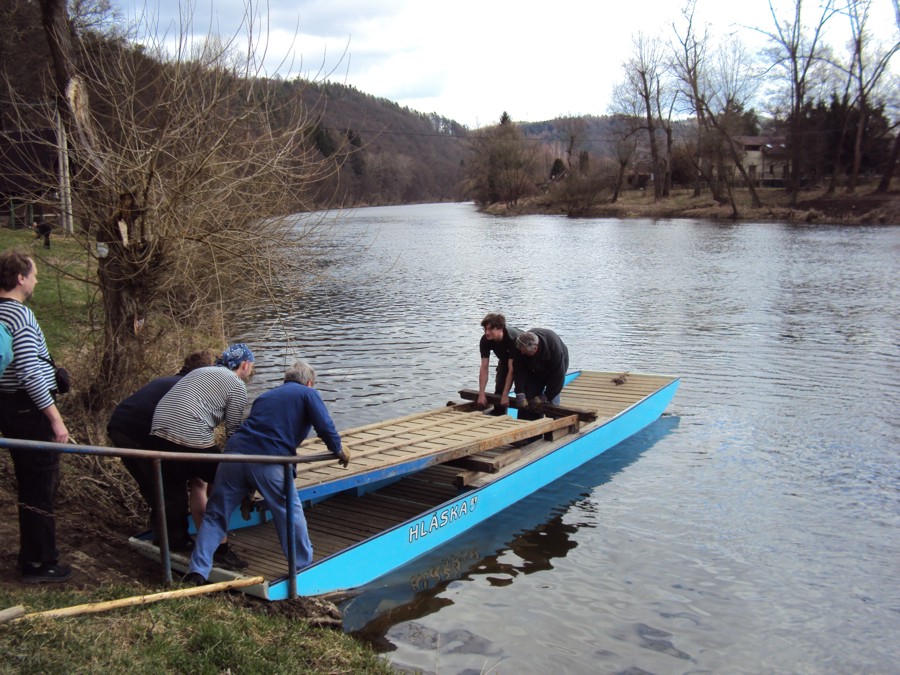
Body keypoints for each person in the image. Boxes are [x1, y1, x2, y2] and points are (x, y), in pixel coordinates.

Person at [183, 360, 350, 585]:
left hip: (233, 455)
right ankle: (302, 568)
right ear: (309, 382)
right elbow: (325, 426)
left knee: (216, 514)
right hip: (268, 460)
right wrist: (338, 449)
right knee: (289, 512)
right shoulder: (307, 394)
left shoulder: (266, 396)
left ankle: (198, 571)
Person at [0, 249, 72, 583]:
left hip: (9, 409)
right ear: (20, 278)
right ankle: (40, 563)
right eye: (34, 274)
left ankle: (33, 557)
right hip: (30, 412)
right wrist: (56, 420)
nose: (37, 279)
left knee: (28, 482)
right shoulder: (20, 316)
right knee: (40, 486)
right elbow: (29, 373)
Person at [149, 343, 255, 567]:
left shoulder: (199, 371)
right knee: (224, 483)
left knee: (198, 481)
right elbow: (233, 432)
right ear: (244, 364)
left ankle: (191, 538)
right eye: (251, 366)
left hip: (158, 433)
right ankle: (221, 549)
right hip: (189, 435)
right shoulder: (236, 385)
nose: (251, 371)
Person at [107, 349, 215, 542]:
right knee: (170, 487)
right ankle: (173, 541)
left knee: (161, 484)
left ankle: (165, 533)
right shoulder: (190, 390)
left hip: (123, 428)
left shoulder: (166, 381)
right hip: (136, 435)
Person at [513, 328, 570, 421]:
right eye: (521, 351)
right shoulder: (520, 348)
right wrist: (520, 392)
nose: (522, 353)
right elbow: (519, 371)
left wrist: (546, 396)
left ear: (535, 348)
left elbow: (558, 378)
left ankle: (553, 425)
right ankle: (531, 427)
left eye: (525, 351)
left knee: (551, 401)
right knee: (530, 396)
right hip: (533, 368)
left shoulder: (554, 348)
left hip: (555, 367)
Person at [477, 313, 522, 416]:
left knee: (522, 390)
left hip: (523, 361)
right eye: (485, 329)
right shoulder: (485, 340)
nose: (487, 333)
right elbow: (484, 367)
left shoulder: (512, 339)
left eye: (490, 330)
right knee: (499, 389)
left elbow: (512, 368)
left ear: (500, 329)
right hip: (505, 361)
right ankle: (499, 414)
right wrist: (481, 393)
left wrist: (506, 394)